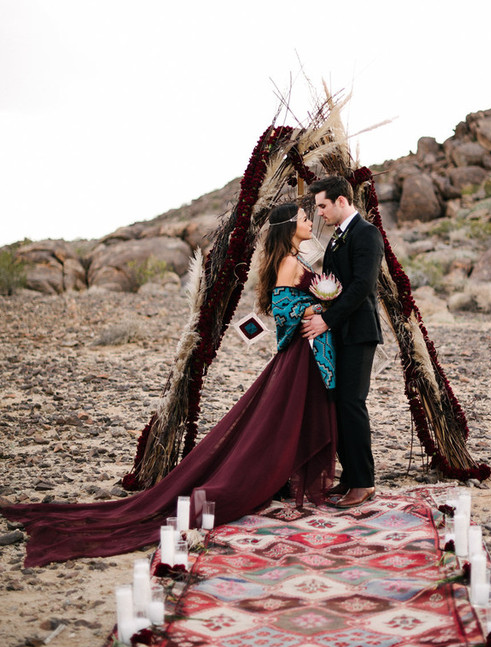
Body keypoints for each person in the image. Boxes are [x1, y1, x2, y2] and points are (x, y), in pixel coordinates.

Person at [0, 203, 336, 568]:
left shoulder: (291, 257)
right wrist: (319, 309)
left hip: (307, 348)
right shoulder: (288, 262)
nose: (309, 221)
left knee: (286, 415)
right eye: (304, 218)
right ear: (290, 227)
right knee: (280, 416)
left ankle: (285, 475)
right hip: (301, 349)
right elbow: (282, 305)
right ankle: (269, 476)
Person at [302, 175, 383, 509]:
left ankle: (363, 482)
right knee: (339, 404)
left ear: (340, 201)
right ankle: (350, 477)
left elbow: (362, 285)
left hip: (359, 332)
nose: (319, 212)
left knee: (352, 403)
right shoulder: (338, 238)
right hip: (339, 332)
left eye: (322, 205)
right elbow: (334, 285)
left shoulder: (366, 233)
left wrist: (327, 320)